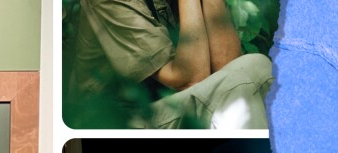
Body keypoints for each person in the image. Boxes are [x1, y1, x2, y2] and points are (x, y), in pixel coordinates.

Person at [69, 0, 273, 129]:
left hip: (170, 108)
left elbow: (228, 67)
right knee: (240, 88)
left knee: (258, 66)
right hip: (116, 127)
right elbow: (191, 79)